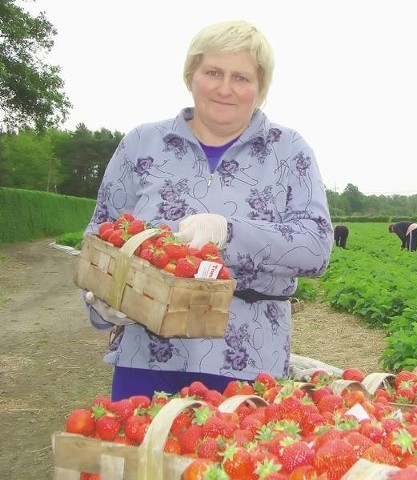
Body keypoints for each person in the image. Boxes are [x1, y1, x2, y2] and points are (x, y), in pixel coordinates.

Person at [80, 20, 333, 400]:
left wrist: (229, 232)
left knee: (237, 459)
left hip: (249, 362)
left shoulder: (289, 151)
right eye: (213, 72)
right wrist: (102, 302)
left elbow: (316, 248)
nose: (225, 88)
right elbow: (100, 234)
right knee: (138, 457)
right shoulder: (142, 144)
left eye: (242, 77)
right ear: (191, 75)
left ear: (260, 87)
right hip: (146, 356)